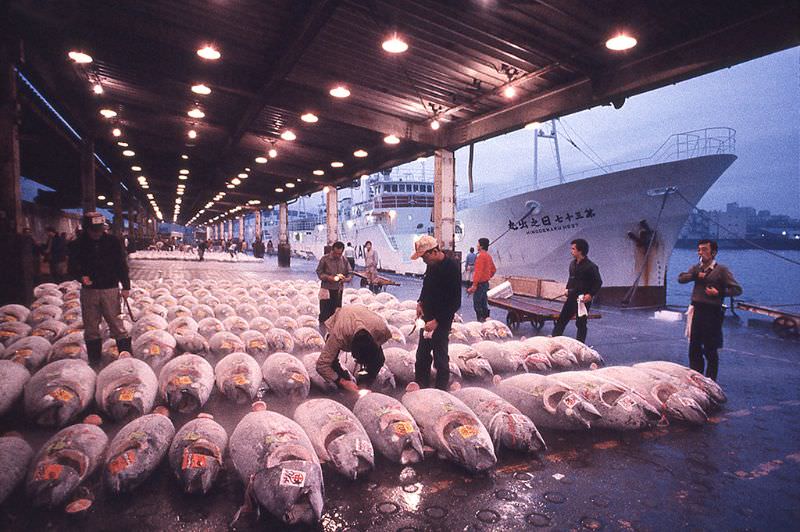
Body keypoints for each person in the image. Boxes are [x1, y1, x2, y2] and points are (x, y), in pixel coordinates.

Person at [68, 212, 132, 365]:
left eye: (100, 230)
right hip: (89, 291)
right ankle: (94, 361)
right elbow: (71, 267)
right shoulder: (78, 244)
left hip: (110, 288)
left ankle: (127, 360)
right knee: (91, 328)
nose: (97, 233)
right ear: (86, 229)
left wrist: (126, 286)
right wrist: (80, 276)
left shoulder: (113, 242)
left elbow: (121, 265)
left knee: (117, 325)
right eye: (94, 230)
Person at [678, 239, 742, 381]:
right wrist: (695, 276)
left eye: (704, 249)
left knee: (710, 348)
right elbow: (681, 278)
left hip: (712, 312)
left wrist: (718, 292)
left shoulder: (721, 270)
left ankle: (711, 380)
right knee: (694, 347)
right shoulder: (697, 268)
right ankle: (697, 378)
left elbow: (737, 290)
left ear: (713, 252)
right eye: (699, 249)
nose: (701, 252)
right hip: (697, 310)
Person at [411, 235, 461, 390]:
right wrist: (420, 302)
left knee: (440, 358)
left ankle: (440, 390)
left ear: (433, 252)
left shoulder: (451, 268)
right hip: (427, 317)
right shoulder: (431, 265)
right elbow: (427, 287)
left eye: (424, 257)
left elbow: (455, 302)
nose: (423, 261)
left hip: (441, 321)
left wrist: (437, 321)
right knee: (422, 356)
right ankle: (421, 386)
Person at [316, 305, 391, 392]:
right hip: (343, 317)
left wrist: (367, 377)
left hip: (366, 318)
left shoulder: (381, 329)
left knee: (378, 360)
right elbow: (321, 365)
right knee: (332, 363)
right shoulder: (338, 336)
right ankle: (344, 385)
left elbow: (377, 357)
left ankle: (364, 384)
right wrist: (342, 381)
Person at [551, 238, 602, 343]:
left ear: (580, 251)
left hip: (582, 299)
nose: (571, 251)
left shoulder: (591, 267)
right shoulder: (572, 264)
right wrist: (567, 289)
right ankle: (554, 341)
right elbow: (571, 278)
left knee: (581, 323)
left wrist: (590, 295)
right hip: (571, 297)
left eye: (573, 249)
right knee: (562, 320)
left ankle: (580, 345)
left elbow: (598, 282)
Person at [316, 241, 353, 326]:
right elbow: (319, 272)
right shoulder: (324, 259)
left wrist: (347, 279)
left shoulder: (344, 260)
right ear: (332, 250)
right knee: (324, 314)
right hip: (326, 290)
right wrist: (329, 277)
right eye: (336, 253)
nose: (337, 255)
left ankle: (334, 333)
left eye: (339, 254)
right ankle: (323, 332)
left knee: (336, 313)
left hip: (338, 290)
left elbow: (350, 272)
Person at [467, 238, 496, 322]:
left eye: (478, 244)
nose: (477, 245)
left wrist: (474, 285)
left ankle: (480, 321)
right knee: (484, 303)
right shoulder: (488, 256)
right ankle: (487, 320)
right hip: (485, 284)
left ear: (481, 246)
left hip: (479, 285)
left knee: (477, 303)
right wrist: (487, 276)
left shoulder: (480, 257)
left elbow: (478, 273)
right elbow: (493, 270)